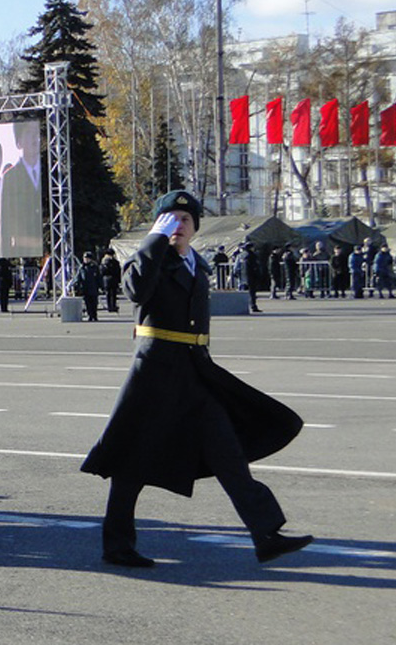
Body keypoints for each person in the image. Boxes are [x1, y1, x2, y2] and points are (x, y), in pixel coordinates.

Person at [81, 191, 313, 568]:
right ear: (158, 226)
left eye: (185, 219)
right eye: (170, 218)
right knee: (131, 462)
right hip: (155, 375)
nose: (178, 224)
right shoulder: (148, 260)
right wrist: (154, 241)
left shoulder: (197, 265)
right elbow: (136, 291)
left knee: (228, 453)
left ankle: (266, 534)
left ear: (195, 228)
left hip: (196, 373)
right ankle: (117, 545)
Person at [0, 120, 43, 256]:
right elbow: (5, 221)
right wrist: (6, 256)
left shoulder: (52, 170)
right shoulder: (10, 177)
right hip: (22, 249)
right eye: (29, 132)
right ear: (19, 142)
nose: (34, 137)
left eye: (36, 132)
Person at [74, 251, 101, 321]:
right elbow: (78, 277)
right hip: (85, 288)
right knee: (87, 303)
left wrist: (101, 286)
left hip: (93, 287)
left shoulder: (94, 267)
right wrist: (76, 284)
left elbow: (99, 277)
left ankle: (94, 315)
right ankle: (90, 315)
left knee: (94, 302)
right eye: (85, 258)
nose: (86, 259)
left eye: (87, 258)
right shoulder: (82, 267)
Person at [238, 243, 262, 313]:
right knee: (252, 292)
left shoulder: (244, 255)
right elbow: (253, 266)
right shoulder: (251, 256)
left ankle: (251, 305)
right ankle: (253, 306)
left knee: (249, 291)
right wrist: (257, 273)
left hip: (247, 275)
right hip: (251, 276)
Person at [101, 248, 121, 313]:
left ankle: (110, 306)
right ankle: (112, 306)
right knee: (113, 294)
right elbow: (118, 271)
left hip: (107, 279)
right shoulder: (115, 262)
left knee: (109, 294)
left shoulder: (103, 262)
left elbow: (102, 272)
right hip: (113, 279)